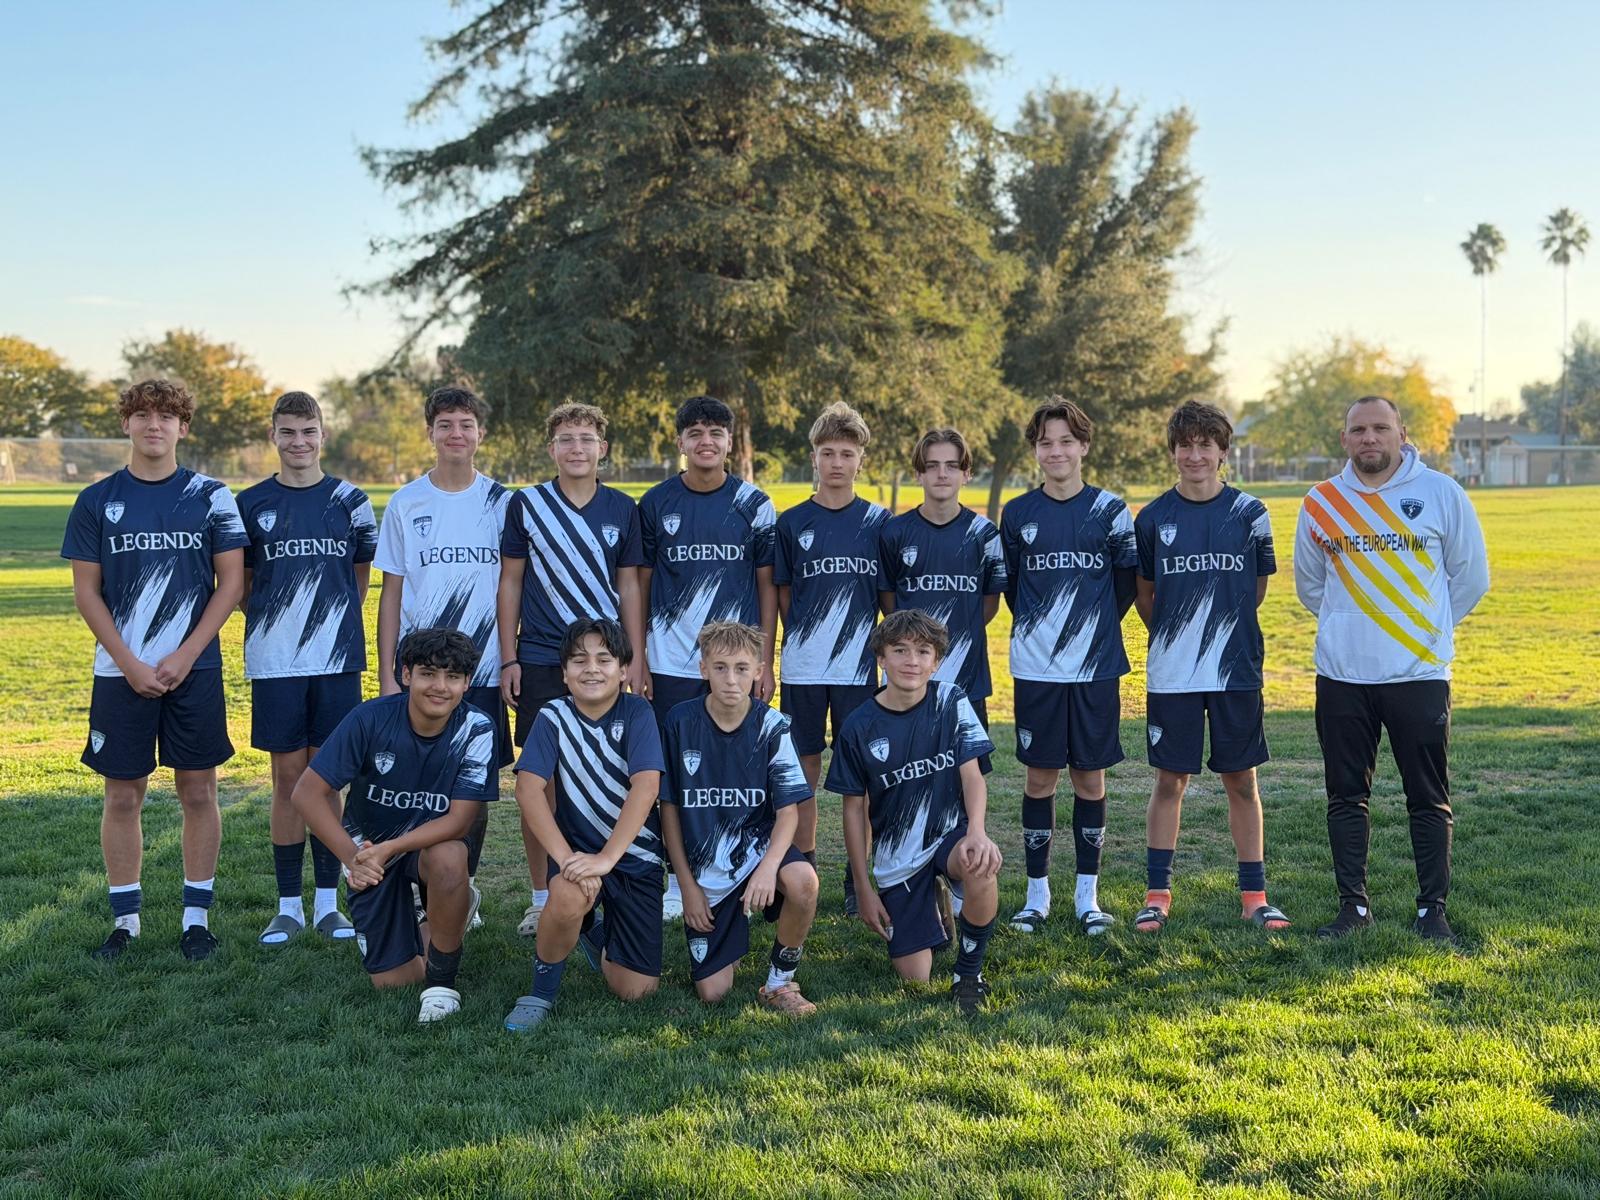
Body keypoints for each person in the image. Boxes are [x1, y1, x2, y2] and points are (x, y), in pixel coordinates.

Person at [62, 378, 248, 963]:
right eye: (142, 414)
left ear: (182, 428)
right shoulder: (97, 499)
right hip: (121, 673)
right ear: (126, 424)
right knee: (123, 795)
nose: (154, 425)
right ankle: (126, 921)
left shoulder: (211, 495)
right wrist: (128, 662)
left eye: (166, 416)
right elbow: (87, 593)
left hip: (195, 667)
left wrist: (186, 653)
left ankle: (197, 920)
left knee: (198, 789)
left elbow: (231, 583)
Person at [1294, 395, 1489, 944]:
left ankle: (1432, 911)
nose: (1370, 438)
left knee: (1427, 796)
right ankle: (1353, 908)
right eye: (1359, 430)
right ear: (1344, 439)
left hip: (1418, 675)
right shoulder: (1321, 502)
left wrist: (1425, 631)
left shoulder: (1441, 493)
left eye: (1381, 428)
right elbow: (1310, 586)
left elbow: (1471, 577)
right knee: (1345, 795)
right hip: (1342, 676)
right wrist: (1349, 627)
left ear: (1402, 433)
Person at [1131, 401, 1290, 935]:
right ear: (1173, 451)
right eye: (1186, 445)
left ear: (1223, 452)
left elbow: (1255, 589)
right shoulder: (1152, 518)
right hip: (1173, 672)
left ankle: (1255, 896)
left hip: (1235, 669)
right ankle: (1157, 896)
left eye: (1206, 445)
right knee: (1170, 780)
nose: (1195, 455)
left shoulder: (1250, 513)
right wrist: (1182, 637)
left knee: (1241, 781)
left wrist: (1220, 634)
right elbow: (1146, 596)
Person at [291, 628, 497, 1023]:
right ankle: (445, 914)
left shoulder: (477, 727)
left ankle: (441, 984)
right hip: (370, 852)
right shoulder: (370, 718)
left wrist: (391, 848)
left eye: (453, 677)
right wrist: (354, 859)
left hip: (425, 847)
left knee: (449, 859)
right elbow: (306, 794)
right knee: (395, 982)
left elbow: (459, 820)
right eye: (428, 674)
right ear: (406, 674)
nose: (440, 687)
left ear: (467, 683)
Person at [498, 402, 646, 938]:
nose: (576, 448)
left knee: (608, 775)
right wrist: (509, 656)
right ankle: (543, 895)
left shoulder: (622, 508)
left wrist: (634, 658)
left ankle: (603, 881)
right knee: (541, 781)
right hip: (542, 657)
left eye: (586, 439)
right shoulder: (527, 504)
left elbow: (629, 585)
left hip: (603, 661)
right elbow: (511, 581)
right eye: (566, 439)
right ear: (551, 448)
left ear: (602, 448)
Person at [236, 390, 377, 946]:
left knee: (327, 780)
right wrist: (282, 624)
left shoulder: (351, 500)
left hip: (336, 660)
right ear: (273, 436)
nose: (299, 442)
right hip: (276, 663)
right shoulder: (249, 503)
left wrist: (327, 625)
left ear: (323, 434)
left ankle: (327, 905)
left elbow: (360, 577)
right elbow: (242, 585)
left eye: (308, 431)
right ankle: (288, 906)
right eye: (288, 432)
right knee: (288, 781)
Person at [374, 386, 512, 929]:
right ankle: (417, 888)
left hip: (481, 670)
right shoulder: (407, 502)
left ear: (481, 433)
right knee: (417, 782)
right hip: (422, 673)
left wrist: (510, 660)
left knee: (472, 789)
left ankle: (462, 888)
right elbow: (390, 593)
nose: (456, 433)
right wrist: (389, 673)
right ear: (430, 432)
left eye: (466, 424)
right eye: (446, 424)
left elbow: (515, 587)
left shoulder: (502, 502)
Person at [999, 397, 1137, 935]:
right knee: (1039, 779)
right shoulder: (1017, 514)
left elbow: (1124, 584)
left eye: (1065, 441)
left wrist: (1088, 630)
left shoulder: (1110, 510)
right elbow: (1012, 588)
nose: (1055, 451)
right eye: (1045, 443)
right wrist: (1047, 633)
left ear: (1083, 446)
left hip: (1095, 668)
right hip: (1037, 669)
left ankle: (1087, 897)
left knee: (1089, 779)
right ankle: (1037, 896)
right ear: (1035, 450)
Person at [637, 395, 777, 919]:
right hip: (670, 662)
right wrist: (639, 656)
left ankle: (739, 868)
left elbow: (767, 586)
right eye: (694, 432)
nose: (705, 441)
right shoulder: (655, 503)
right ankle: (679, 878)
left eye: (715, 432)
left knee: (736, 769)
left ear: (729, 442)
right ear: (680, 441)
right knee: (675, 773)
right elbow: (641, 584)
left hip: (735, 666)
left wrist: (764, 660)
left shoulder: (754, 504)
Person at [827, 609, 1002, 1015]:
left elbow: (972, 776)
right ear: (881, 658)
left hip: (948, 834)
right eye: (900, 650)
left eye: (924, 652)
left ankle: (968, 974)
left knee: (980, 864)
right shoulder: (858, 727)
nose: (912, 661)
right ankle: (933, 905)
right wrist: (863, 887)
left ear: (936, 662)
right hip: (898, 855)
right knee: (915, 977)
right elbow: (853, 811)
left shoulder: (950, 701)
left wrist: (977, 831)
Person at [503, 619, 666, 1032]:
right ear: (564, 673)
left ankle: (592, 932)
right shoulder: (552, 716)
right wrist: (567, 859)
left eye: (604, 659)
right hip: (576, 855)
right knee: (566, 893)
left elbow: (646, 786)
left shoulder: (638, 712)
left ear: (624, 670)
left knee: (636, 991)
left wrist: (607, 859)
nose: (591, 668)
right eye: (579, 660)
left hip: (633, 858)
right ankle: (540, 992)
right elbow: (527, 790)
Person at [659, 622, 820, 1014]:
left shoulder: (772, 725)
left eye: (742, 668)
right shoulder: (679, 723)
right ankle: (732, 928)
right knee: (713, 993)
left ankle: (780, 982)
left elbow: (788, 812)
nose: (731, 679)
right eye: (720, 667)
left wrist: (767, 869)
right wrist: (686, 887)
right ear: (703, 669)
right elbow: (669, 810)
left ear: (759, 671)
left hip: (758, 850)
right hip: (706, 868)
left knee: (803, 882)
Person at [773, 401, 889, 897]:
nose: (836, 462)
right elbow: (784, 595)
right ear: (814, 458)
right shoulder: (792, 523)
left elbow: (887, 601)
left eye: (846, 453)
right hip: (802, 668)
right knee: (803, 769)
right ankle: (805, 870)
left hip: (858, 671)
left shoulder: (879, 523)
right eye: (827, 453)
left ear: (861, 460)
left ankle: (857, 878)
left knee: (859, 775)